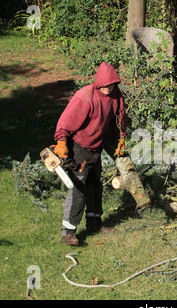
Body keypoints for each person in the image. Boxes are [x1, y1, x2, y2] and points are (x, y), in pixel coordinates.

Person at [53, 62, 127, 246]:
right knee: (78, 189)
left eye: (112, 84)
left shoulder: (116, 96)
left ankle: (94, 223)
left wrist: (121, 138)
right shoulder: (84, 97)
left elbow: (120, 119)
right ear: (98, 82)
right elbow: (65, 121)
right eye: (105, 84)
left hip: (97, 147)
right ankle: (68, 233)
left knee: (95, 186)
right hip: (79, 148)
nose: (108, 88)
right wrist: (61, 142)